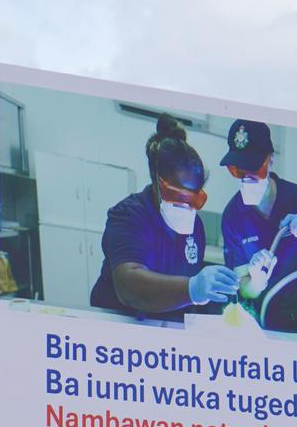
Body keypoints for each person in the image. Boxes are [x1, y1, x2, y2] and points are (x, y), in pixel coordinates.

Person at [89, 113, 239, 320]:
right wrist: (192, 288)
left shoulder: (195, 227)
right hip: (121, 321)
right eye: (178, 195)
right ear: (156, 181)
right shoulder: (129, 216)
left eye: (195, 198)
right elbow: (129, 286)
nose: (187, 206)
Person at [219, 119, 297, 333]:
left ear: (270, 162)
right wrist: (257, 282)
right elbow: (245, 288)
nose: (247, 179)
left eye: (253, 169)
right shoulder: (233, 216)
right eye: (238, 172)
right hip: (262, 323)